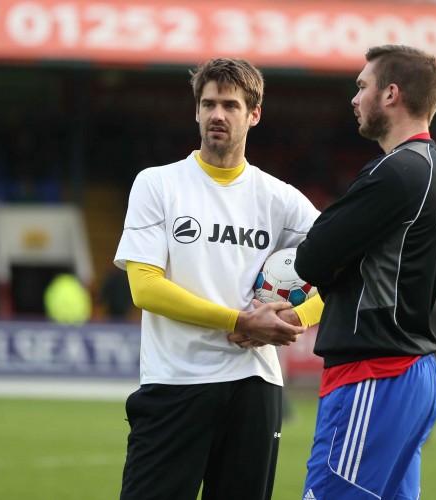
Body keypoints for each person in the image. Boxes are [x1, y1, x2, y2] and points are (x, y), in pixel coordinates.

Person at [113, 57, 321, 500]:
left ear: (254, 114)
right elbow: (144, 287)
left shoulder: (280, 199)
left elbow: (346, 269)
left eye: (230, 105)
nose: (217, 115)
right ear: (196, 111)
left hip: (254, 387)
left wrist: (296, 318)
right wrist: (239, 322)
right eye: (208, 104)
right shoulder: (158, 185)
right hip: (175, 383)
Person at [292, 45, 436, 500]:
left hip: (375, 375)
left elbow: (311, 257)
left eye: (362, 86)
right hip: (412, 372)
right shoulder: (435, 172)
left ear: (391, 94)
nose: (354, 97)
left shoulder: (396, 172)